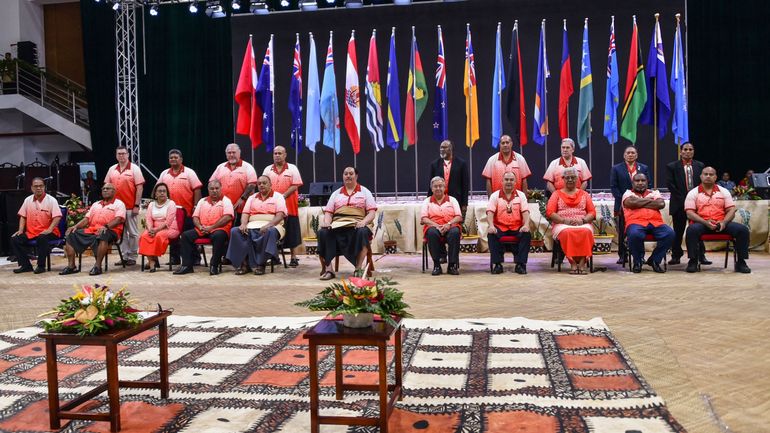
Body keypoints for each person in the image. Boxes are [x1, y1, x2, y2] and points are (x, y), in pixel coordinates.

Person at [684, 167, 751, 274]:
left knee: (742, 230)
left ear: (715, 177)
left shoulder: (723, 191)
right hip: (702, 223)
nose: (708, 176)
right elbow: (690, 213)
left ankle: (741, 262)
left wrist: (724, 222)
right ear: (701, 176)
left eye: (711, 174)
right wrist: (705, 222)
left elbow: (731, 210)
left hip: (721, 223)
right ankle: (693, 261)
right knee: (691, 230)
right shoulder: (693, 192)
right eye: (705, 174)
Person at [317, 167, 377, 280]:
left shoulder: (365, 192)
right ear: (343, 176)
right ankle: (329, 270)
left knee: (363, 232)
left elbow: (371, 213)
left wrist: (364, 222)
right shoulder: (336, 193)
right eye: (345, 174)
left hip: (357, 224)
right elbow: (329, 213)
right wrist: (327, 223)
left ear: (356, 176)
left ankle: (358, 269)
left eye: (351, 174)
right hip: (338, 225)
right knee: (323, 232)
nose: (348, 176)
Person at [59, 183, 126, 276]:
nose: (105, 190)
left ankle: (97, 266)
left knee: (103, 234)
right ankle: (71, 266)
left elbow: (118, 219)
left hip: (111, 230)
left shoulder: (119, 204)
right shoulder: (96, 204)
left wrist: (106, 227)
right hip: (92, 230)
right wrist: (76, 226)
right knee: (71, 234)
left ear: (114, 191)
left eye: (108, 188)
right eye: (103, 189)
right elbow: (87, 219)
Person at [226, 175, 287, 275]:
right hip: (252, 225)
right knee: (235, 231)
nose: (261, 185)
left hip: (273, 225)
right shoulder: (252, 198)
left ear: (270, 184)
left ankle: (261, 264)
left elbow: (280, 215)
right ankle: (245, 264)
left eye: (264, 183)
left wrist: (269, 225)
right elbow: (245, 213)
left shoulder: (278, 197)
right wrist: (243, 224)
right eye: (259, 184)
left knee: (269, 232)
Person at [174, 180, 234, 276]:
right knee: (185, 235)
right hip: (202, 229)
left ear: (221, 189)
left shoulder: (226, 201)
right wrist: (199, 226)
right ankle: (186, 266)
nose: (214, 191)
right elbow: (195, 217)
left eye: (217, 188)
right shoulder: (202, 201)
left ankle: (214, 265)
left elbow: (228, 217)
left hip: (219, 229)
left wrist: (211, 227)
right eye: (212, 189)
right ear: (208, 190)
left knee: (219, 236)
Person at [547, 167, 596, 275]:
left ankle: (583, 262)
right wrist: (565, 221)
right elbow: (550, 212)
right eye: (567, 177)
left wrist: (583, 221)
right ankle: (572, 262)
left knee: (586, 231)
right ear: (562, 179)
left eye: (573, 177)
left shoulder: (584, 194)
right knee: (567, 232)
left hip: (582, 222)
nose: (570, 180)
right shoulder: (556, 194)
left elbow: (592, 212)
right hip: (562, 223)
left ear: (577, 179)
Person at [622, 173, 674, 273]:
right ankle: (638, 261)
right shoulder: (628, 193)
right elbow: (631, 204)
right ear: (632, 183)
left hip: (656, 223)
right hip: (635, 223)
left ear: (647, 182)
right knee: (634, 234)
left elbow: (660, 204)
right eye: (637, 181)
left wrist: (639, 203)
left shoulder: (654, 193)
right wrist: (647, 201)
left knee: (670, 234)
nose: (640, 183)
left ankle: (655, 260)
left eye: (643, 181)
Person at [158, 149, 203, 265]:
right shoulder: (164, 174)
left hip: (187, 211)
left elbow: (197, 189)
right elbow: (158, 190)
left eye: (175, 157)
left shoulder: (189, 172)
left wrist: (196, 205)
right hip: (170, 213)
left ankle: (195, 258)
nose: (173, 159)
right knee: (173, 236)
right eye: (171, 157)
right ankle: (175, 258)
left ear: (181, 159)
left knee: (188, 236)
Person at [665, 142, 707, 265]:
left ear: (693, 151)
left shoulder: (700, 166)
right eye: (685, 149)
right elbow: (670, 185)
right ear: (681, 152)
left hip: (697, 205)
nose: (688, 151)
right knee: (678, 231)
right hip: (679, 204)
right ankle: (676, 255)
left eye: (690, 149)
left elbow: (703, 184)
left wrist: (695, 201)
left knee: (698, 230)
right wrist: (686, 201)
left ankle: (701, 255)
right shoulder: (672, 166)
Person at [10, 177, 62, 274]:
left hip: (49, 232)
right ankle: (26, 265)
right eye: (36, 186)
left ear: (44, 187)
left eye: (41, 186)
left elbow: (57, 217)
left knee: (42, 238)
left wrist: (50, 229)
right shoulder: (27, 200)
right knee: (15, 239)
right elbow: (23, 216)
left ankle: (41, 266)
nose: (38, 188)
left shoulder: (51, 200)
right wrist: (21, 230)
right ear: (32, 188)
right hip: (32, 232)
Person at [262, 146, 302, 267]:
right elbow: (263, 184)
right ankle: (275, 257)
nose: (277, 155)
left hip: (289, 206)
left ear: (285, 155)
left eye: (280, 153)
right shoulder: (267, 169)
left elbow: (295, 185)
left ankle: (294, 257)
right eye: (275, 153)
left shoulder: (292, 168)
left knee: (292, 231)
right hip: (273, 207)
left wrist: (283, 196)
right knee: (274, 231)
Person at [104, 146, 144, 266]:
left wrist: (136, 205)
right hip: (116, 209)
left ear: (128, 155)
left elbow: (140, 188)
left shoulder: (134, 169)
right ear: (116, 155)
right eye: (119, 154)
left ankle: (132, 256)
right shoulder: (112, 169)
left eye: (123, 153)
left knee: (132, 233)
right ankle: (124, 256)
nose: (121, 156)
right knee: (121, 234)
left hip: (130, 207)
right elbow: (107, 187)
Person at [610, 146, 650, 265]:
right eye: (628, 153)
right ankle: (623, 255)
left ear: (636, 155)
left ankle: (640, 255)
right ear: (624, 155)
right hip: (622, 205)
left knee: (639, 230)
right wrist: (625, 200)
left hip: (640, 204)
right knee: (623, 231)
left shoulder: (643, 168)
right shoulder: (616, 168)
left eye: (633, 153)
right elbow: (614, 187)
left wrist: (639, 200)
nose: (630, 155)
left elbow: (649, 184)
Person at [486, 172, 531, 275]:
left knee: (526, 234)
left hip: (517, 227)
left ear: (515, 182)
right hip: (500, 227)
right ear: (501, 181)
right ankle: (497, 264)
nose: (509, 182)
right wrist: (491, 226)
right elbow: (490, 212)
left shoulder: (521, 195)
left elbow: (525, 212)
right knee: (491, 234)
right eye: (506, 179)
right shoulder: (495, 195)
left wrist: (526, 225)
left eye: (511, 180)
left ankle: (520, 264)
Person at [420, 177, 463, 276]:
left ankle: (452, 265)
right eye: (435, 186)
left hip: (450, 226)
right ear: (431, 188)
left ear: (444, 188)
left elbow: (459, 217)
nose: (438, 188)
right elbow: (424, 219)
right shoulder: (427, 201)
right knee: (431, 233)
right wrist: (437, 226)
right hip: (434, 227)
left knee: (455, 232)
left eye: (440, 186)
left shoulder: (452, 200)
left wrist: (448, 224)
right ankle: (436, 265)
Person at [137, 183, 179, 273]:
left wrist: (156, 230)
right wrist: (150, 229)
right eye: (160, 191)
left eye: (164, 191)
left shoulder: (171, 203)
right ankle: (152, 262)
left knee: (157, 236)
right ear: (155, 193)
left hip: (170, 228)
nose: (162, 193)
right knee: (144, 236)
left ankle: (152, 262)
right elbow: (148, 219)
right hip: (154, 228)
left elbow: (168, 221)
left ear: (167, 193)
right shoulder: (152, 204)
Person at [209, 143, 258, 218]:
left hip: (241, 207)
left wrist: (242, 199)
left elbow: (252, 185)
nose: (231, 155)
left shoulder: (248, 167)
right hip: (222, 207)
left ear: (239, 153)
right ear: (226, 154)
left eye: (234, 152)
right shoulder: (220, 167)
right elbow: (211, 183)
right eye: (229, 153)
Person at [427, 140, 470, 219]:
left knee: (455, 227)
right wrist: (428, 201)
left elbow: (465, 185)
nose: (442, 150)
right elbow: (431, 185)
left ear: (451, 149)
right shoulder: (434, 164)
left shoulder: (461, 164)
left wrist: (464, 204)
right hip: (438, 200)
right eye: (441, 148)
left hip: (457, 200)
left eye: (444, 147)